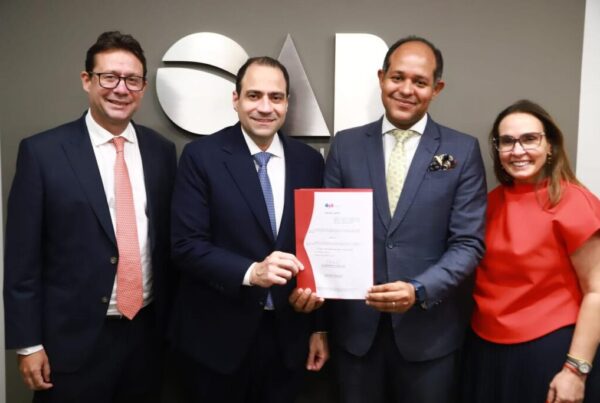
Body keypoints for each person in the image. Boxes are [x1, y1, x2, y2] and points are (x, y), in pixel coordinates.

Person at [3, 31, 177, 402]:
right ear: (87, 80)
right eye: (109, 77)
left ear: (143, 88)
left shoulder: (161, 152)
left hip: (146, 336)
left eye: (132, 80)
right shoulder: (43, 153)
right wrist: (28, 343)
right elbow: (21, 259)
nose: (121, 89)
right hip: (71, 343)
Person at [323, 35, 487, 403]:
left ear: (436, 88)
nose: (406, 90)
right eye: (397, 77)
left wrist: (419, 289)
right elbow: (326, 231)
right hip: (356, 334)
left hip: (429, 336)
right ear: (381, 78)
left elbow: (468, 243)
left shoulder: (461, 150)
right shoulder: (346, 145)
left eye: (420, 81)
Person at [169, 56, 328, 403]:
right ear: (236, 99)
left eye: (276, 97)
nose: (265, 107)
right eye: (254, 95)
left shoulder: (310, 161)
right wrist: (252, 272)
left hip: (288, 339)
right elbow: (186, 245)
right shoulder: (201, 157)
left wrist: (318, 325)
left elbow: (319, 246)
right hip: (217, 339)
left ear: (287, 103)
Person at [462, 99, 600, 403]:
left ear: (550, 146)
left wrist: (575, 371)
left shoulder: (574, 202)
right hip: (485, 350)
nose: (518, 150)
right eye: (507, 141)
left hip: (551, 353)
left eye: (529, 139)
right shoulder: (487, 203)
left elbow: (597, 291)